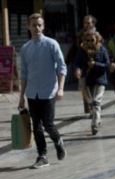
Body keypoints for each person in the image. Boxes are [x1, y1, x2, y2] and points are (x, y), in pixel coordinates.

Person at [18, 13, 67, 169]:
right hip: (32, 92)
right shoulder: (25, 49)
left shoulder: (51, 44)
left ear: (43, 26)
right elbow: (24, 74)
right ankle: (42, 155)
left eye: (39, 25)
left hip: (49, 91)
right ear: (28, 27)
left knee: (48, 124)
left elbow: (61, 67)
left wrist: (61, 88)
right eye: (34, 25)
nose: (37, 28)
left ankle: (58, 141)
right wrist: (21, 97)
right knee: (36, 126)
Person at [75, 30, 110, 135]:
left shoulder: (102, 49)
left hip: (100, 79)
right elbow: (77, 62)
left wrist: (95, 64)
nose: (90, 42)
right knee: (91, 103)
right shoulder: (82, 50)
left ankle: (95, 123)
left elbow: (107, 64)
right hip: (88, 80)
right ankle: (97, 119)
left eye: (92, 40)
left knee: (96, 101)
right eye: (87, 40)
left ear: (97, 39)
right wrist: (77, 70)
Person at [66, 15, 101, 116]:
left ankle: (94, 108)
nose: (87, 25)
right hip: (82, 65)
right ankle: (89, 108)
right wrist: (66, 61)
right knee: (83, 87)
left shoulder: (97, 36)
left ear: (93, 24)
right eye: (85, 22)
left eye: (89, 23)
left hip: (94, 65)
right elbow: (74, 49)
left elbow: (102, 50)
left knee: (94, 88)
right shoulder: (80, 36)